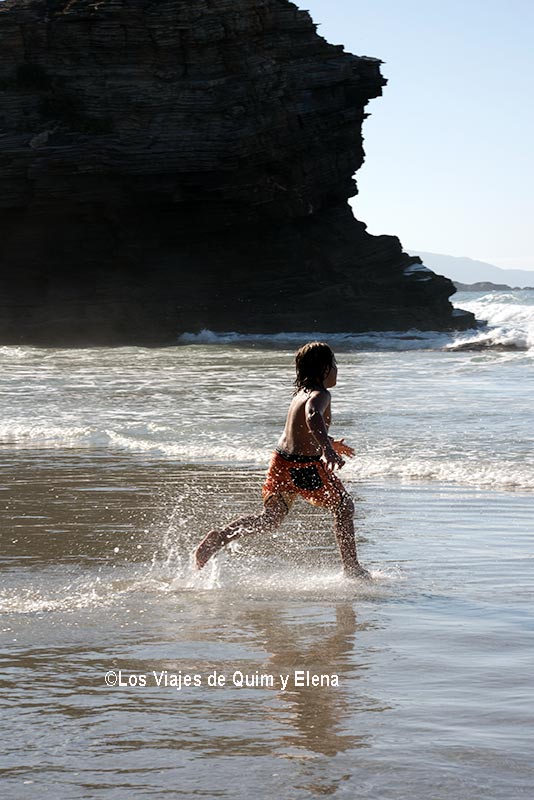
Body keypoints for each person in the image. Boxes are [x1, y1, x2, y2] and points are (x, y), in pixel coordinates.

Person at [194, 341, 370, 579]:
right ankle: (351, 568)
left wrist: (328, 441)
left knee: (269, 519)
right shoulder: (321, 394)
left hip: (281, 462)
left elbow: (300, 431)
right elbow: (312, 416)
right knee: (344, 507)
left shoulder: (300, 395)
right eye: (334, 364)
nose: (337, 370)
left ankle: (220, 538)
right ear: (324, 368)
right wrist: (326, 448)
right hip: (304, 467)